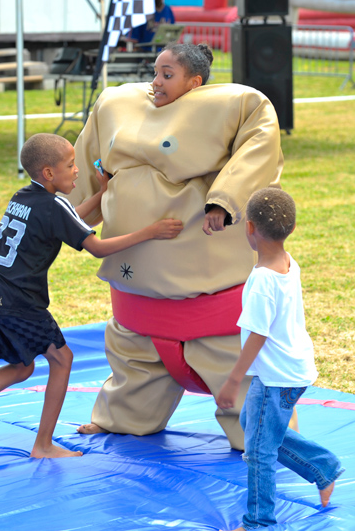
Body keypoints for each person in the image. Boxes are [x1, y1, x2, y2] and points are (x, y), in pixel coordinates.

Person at [69, 42, 290, 451]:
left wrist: (224, 200)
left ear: (195, 81)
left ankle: (259, 431)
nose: (156, 82)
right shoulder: (115, 103)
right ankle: (124, 415)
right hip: (135, 287)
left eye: (167, 75)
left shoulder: (238, 105)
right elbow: (83, 159)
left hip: (208, 286)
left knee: (237, 373)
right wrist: (64, 213)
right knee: (136, 364)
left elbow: (258, 153)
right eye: (155, 72)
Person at [0, 133, 183, 459]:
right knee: (62, 359)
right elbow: (97, 247)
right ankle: (43, 445)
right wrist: (151, 232)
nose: (76, 170)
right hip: (16, 299)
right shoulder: (54, 205)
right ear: (49, 173)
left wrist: (102, 193)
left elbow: (70, 219)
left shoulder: (24, 196)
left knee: (22, 367)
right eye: (70, 165)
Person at [216, 188, 344, 531]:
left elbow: (257, 335)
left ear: (250, 227)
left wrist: (233, 380)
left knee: (259, 451)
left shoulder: (262, 280)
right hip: (293, 369)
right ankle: (323, 467)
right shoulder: (288, 262)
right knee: (255, 426)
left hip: (276, 379)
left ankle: (259, 522)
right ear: (292, 228)